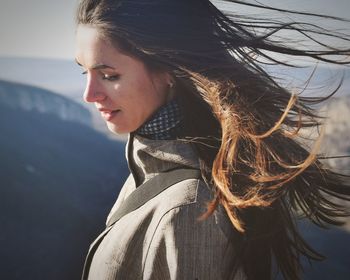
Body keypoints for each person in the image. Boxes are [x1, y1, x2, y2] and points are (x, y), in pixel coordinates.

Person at [74, 0, 350, 279]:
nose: (89, 94)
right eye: (85, 72)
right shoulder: (150, 170)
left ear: (168, 70)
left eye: (109, 75)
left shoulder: (191, 211)